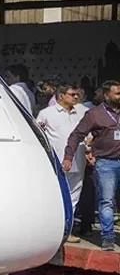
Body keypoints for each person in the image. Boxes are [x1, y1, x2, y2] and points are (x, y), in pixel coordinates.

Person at [65, 81, 120, 251]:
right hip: (106, 164)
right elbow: (76, 135)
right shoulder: (94, 114)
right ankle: (108, 238)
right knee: (107, 201)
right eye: (117, 93)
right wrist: (68, 157)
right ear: (106, 95)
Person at [38, 84, 88, 241]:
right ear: (61, 96)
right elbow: (39, 134)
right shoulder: (46, 113)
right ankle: (53, 230)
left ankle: (67, 231)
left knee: (74, 197)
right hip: (57, 161)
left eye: (77, 94)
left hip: (78, 160)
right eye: (72, 94)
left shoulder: (82, 112)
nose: (76, 97)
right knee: (57, 195)